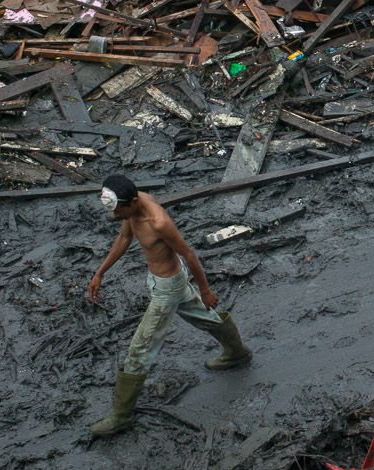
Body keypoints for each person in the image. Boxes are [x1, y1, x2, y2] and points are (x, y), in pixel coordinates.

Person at [85, 174, 252, 437]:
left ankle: (120, 415)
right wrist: (100, 273)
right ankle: (238, 352)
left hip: (168, 289)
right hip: (166, 280)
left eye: (120, 211)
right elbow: (123, 239)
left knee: (140, 349)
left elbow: (187, 253)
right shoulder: (131, 212)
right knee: (202, 316)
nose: (117, 216)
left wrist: (206, 290)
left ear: (134, 201)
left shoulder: (158, 222)